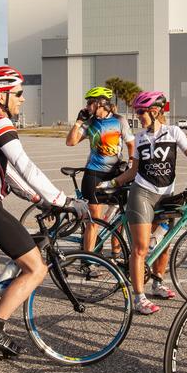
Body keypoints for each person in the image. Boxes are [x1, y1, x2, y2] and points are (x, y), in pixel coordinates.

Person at [0, 66, 89, 358]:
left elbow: (1, 171)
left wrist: (36, 198)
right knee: (36, 268)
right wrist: (61, 200)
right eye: (18, 93)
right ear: (2, 95)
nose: (22, 99)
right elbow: (26, 166)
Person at [98, 90, 187, 315]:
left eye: (142, 111)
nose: (138, 115)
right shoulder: (139, 138)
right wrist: (113, 183)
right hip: (143, 193)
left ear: (155, 111)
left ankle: (157, 282)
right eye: (137, 111)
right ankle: (138, 297)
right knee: (141, 248)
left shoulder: (173, 132)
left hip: (167, 195)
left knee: (165, 243)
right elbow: (134, 171)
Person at [64, 85, 134, 254]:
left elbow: (131, 143)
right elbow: (70, 142)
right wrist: (79, 122)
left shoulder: (119, 120)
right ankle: (89, 260)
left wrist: (131, 162)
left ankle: (116, 254)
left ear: (100, 103)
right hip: (94, 174)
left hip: (116, 173)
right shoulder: (90, 123)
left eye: (90, 103)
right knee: (93, 221)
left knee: (119, 216)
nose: (87, 107)